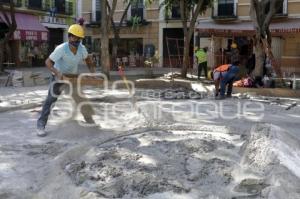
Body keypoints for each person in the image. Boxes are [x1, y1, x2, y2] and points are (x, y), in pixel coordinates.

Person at [36, 24, 96, 137]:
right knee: (50, 100)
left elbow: (88, 60)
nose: (77, 40)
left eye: (79, 38)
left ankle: (89, 120)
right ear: (69, 37)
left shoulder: (82, 49)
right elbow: (48, 62)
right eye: (75, 37)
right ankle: (41, 125)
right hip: (58, 77)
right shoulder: (61, 49)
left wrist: (92, 73)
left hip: (72, 78)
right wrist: (58, 74)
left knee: (80, 98)